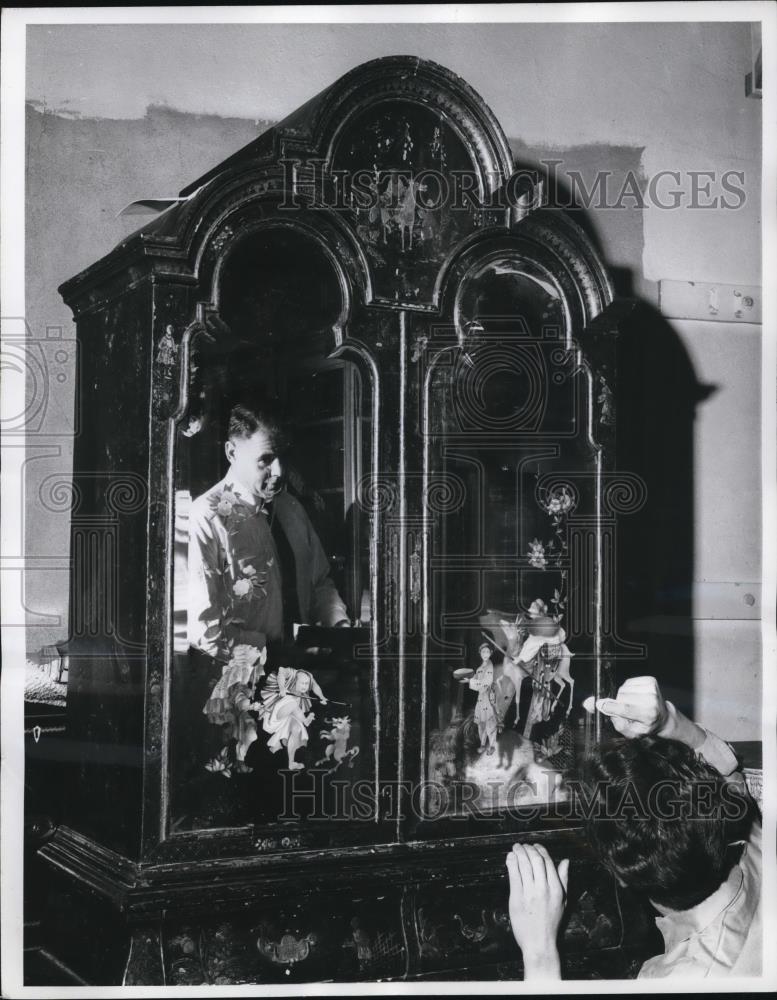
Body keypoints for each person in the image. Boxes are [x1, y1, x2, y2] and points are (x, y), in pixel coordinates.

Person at [505, 676, 761, 980]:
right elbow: (727, 771)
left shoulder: (680, 980)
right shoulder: (757, 844)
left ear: (620, 875)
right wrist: (666, 721)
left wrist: (540, 952)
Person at [188, 403, 349, 768]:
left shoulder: (291, 510)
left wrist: (337, 627)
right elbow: (205, 629)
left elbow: (320, 582)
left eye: (282, 458)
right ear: (232, 452)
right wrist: (274, 652)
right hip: (240, 693)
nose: (279, 472)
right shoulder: (205, 517)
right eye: (265, 460)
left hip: (303, 685)